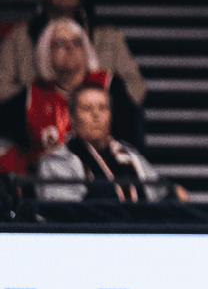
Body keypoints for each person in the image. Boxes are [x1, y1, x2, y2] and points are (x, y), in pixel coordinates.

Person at [0, 18, 141, 173]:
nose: (70, 48)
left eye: (77, 42)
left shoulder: (109, 85)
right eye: (60, 43)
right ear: (46, 52)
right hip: (48, 180)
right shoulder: (33, 94)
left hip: (103, 178)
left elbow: (129, 139)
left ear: (86, 49)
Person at [0, 0, 145, 105]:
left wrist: (98, 101)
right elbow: (2, 86)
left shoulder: (108, 38)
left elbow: (137, 87)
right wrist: (38, 98)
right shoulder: (19, 38)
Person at [35, 83, 182, 203]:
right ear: (72, 118)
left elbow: (159, 193)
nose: (96, 115)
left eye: (102, 108)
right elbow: (67, 215)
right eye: (87, 109)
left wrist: (174, 193)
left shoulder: (129, 155)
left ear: (110, 115)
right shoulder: (56, 162)